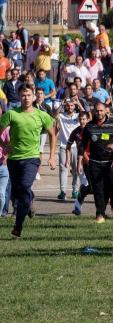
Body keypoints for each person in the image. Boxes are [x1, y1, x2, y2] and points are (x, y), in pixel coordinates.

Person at [0, 85, 56, 238]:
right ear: (19, 96)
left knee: (24, 186)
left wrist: (51, 156)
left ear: (33, 97)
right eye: (23, 95)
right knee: (18, 192)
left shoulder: (41, 115)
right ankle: (29, 199)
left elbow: (53, 134)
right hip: (13, 159)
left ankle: (18, 226)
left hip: (32, 158)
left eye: (29, 95)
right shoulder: (11, 114)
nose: (26, 98)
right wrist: (4, 145)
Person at [82, 102, 113, 223]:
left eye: (101, 110)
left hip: (111, 162)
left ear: (106, 111)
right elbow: (82, 145)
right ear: (94, 111)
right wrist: (85, 157)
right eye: (97, 111)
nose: (99, 113)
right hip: (94, 162)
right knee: (98, 189)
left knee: (112, 188)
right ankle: (100, 214)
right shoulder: (89, 126)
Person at [56, 99, 80, 200]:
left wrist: (78, 103)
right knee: (63, 169)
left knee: (76, 170)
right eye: (68, 106)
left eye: (71, 106)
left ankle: (75, 190)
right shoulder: (61, 116)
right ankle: (63, 191)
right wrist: (61, 104)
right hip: (63, 145)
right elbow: (54, 115)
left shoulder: (78, 116)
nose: (70, 107)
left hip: (75, 146)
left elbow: (88, 116)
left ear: (74, 107)